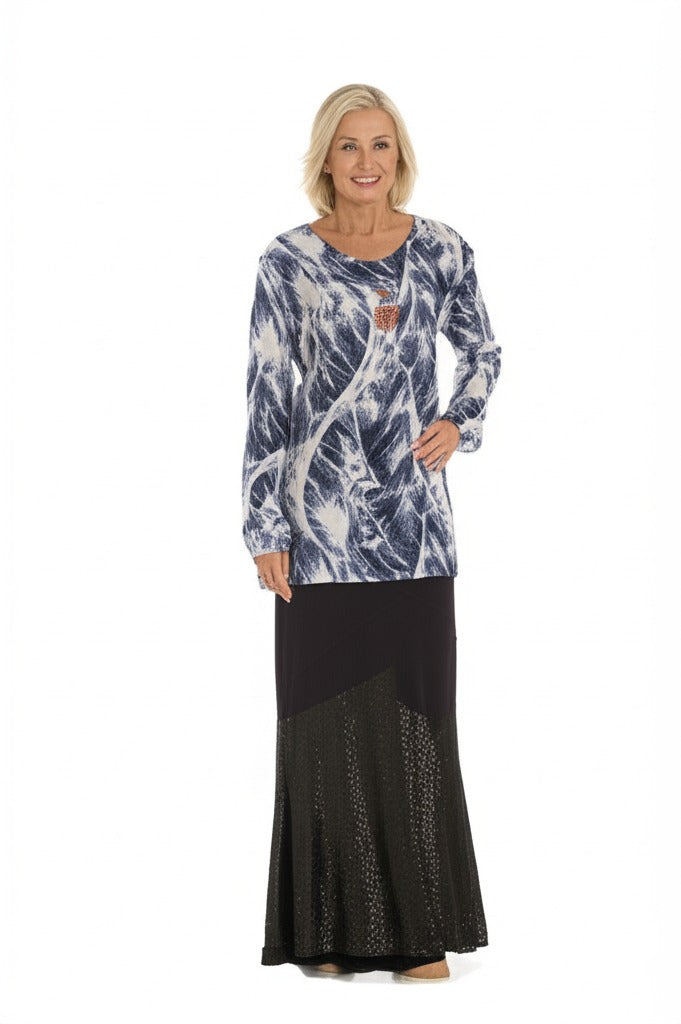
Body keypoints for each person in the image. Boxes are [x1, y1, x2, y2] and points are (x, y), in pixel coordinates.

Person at [241, 83, 502, 982]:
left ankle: (418, 934)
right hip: (315, 533)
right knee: (322, 730)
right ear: (325, 157)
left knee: (417, 724)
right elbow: (266, 395)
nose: (365, 162)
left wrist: (459, 422)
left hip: (415, 530)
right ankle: (327, 934)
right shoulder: (288, 260)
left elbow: (483, 350)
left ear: (399, 155)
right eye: (348, 145)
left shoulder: (440, 249)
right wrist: (262, 524)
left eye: (380, 144)